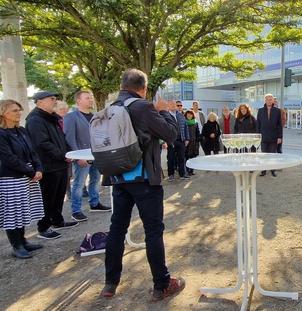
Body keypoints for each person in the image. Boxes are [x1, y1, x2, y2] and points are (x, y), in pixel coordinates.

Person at [101, 69, 184, 301]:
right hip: (144, 179)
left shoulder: (109, 108)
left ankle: (110, 283)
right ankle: (162, 284)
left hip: (118, 177)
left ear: (122, 85)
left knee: (117, 229)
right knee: (153, 231)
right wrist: (165, 112)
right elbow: (170, 134)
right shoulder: (143, 106)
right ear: (143, 88)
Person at [26, 91, 78, 240]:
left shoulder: (51, 118)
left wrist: (69, 153)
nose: (55, 101)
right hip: (48, 166)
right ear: (39, 102)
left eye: (55, 98)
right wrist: (62, 155)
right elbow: (42, 144)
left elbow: (62, 139)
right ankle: (43, 227)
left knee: (59, 195)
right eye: (51, 99)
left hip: (59, 164)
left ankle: (57, 220)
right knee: (47, 197)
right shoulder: (35, 120)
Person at [0, 100, 45, 259]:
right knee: (13, 214)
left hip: (27, 175)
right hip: (11, 178)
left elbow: (33, 152)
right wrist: (30, 172)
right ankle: (16, 246)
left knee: (24, 210)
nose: (19, 113)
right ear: (3, 113)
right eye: (14, 110)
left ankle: (24, 241)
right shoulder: (1, 134)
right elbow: (8, 158)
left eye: (19, 110)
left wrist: (38, 168)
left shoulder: (21, 130)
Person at [64, 90, 111, 222]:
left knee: (95, 180)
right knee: (79, 184)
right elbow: (69, 138)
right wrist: (78, 156)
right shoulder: (71, 117)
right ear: (78, 100)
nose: (91, 100)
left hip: (96, 155)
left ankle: (95, 203)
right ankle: (76, 210)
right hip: (81, 156)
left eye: (91, 98)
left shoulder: (95, 116)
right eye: (87, 98)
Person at [257, 94, 282, 177]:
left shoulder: (277, 111)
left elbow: (279, 125)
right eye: (267, 99)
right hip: (263, 137)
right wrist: (258, 136)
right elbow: (258, 124)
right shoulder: (260, 111)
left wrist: (280, 137)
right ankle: (263, 170)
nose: (269, 101)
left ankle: (272, 170)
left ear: (273, 101)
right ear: (265, 100)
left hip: (274, 137)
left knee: (272, 155)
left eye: (270, 99)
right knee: (264, 155)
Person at [166, 100, 190, 181]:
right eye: (171, 104)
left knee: (181, 158)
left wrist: (187, 139)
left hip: (181, 140)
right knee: (171, 158)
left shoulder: (180, 115)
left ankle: (182, 174)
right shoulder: (165, 116)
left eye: (174, 104)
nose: (173, 106)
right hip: (171, 141)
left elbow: (186, 127)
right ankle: (171, 175)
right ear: (168, 106)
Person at [184, 110, 201, 175]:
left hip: (194, 143)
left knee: (193, 157)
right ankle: (186, 171)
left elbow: (198, 132)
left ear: (192, 115)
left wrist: (198, 140)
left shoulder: (195, 122)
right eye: (188, 114)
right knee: (186, 157)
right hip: (187, 143)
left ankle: (191, 171)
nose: (189, 115)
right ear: (186, 115)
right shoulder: (184, 122)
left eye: (191, 114)